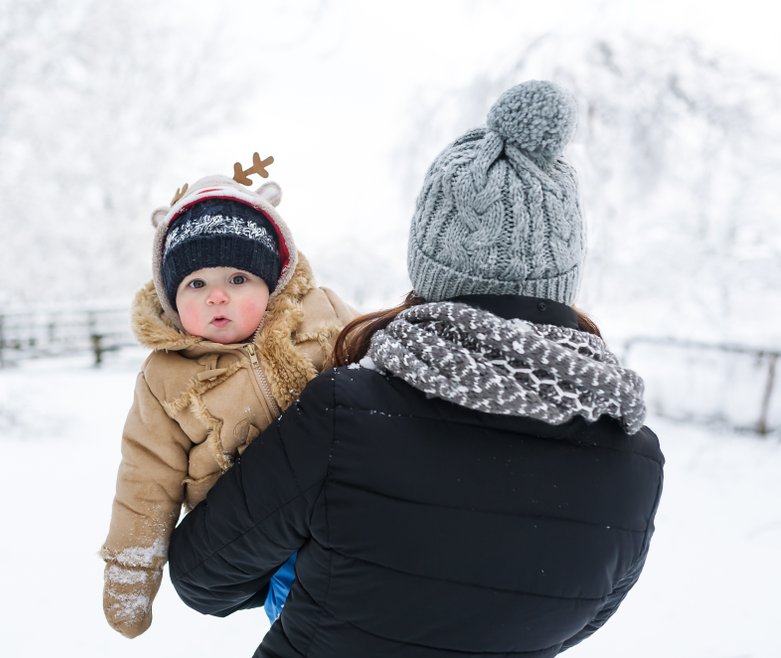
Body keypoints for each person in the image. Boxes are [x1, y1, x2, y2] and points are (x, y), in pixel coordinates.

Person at [167, 81, 665, 657]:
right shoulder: (636, 457)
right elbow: (583, 621)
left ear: (429, 261)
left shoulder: (344, 414)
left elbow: (204, 576)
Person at [99, 161, 358, 638]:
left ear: (271, 280)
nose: (217, 296)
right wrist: (131, 574)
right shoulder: (165, 378)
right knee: (314, 620)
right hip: (261, 538)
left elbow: (385, 359)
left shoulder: (323, 313)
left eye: (238, 279)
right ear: (173, 299)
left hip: (352, 504)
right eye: (196, 284)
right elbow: (145, 478)